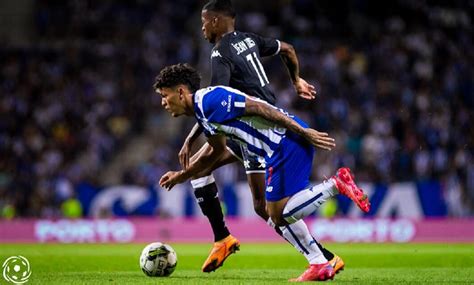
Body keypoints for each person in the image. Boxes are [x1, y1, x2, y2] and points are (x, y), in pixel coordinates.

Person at [155, 63, 370, 281]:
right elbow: (216, 150)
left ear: (181, 92)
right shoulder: (203, 114)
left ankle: (335, 185)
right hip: (275, 148)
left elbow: (260, 108)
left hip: (286, 142)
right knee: (269, 210)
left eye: (165, 95)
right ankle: (320, 262)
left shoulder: (211, 100)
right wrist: (182, 174)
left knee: (277, 213)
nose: (163, 102)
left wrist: (301, 130)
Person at [180, 0, 343, 273]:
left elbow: (215, 98)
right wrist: (296, 80)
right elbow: (288, 49)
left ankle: (223, 238)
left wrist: (190, 138)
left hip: (252, 127)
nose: (203, 28)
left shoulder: (219, 53)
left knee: (200, 170)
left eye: (204, 22)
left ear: (217, 21)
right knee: (260, 206)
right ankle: (322, 257)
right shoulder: (250, 39)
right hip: (265, 120)